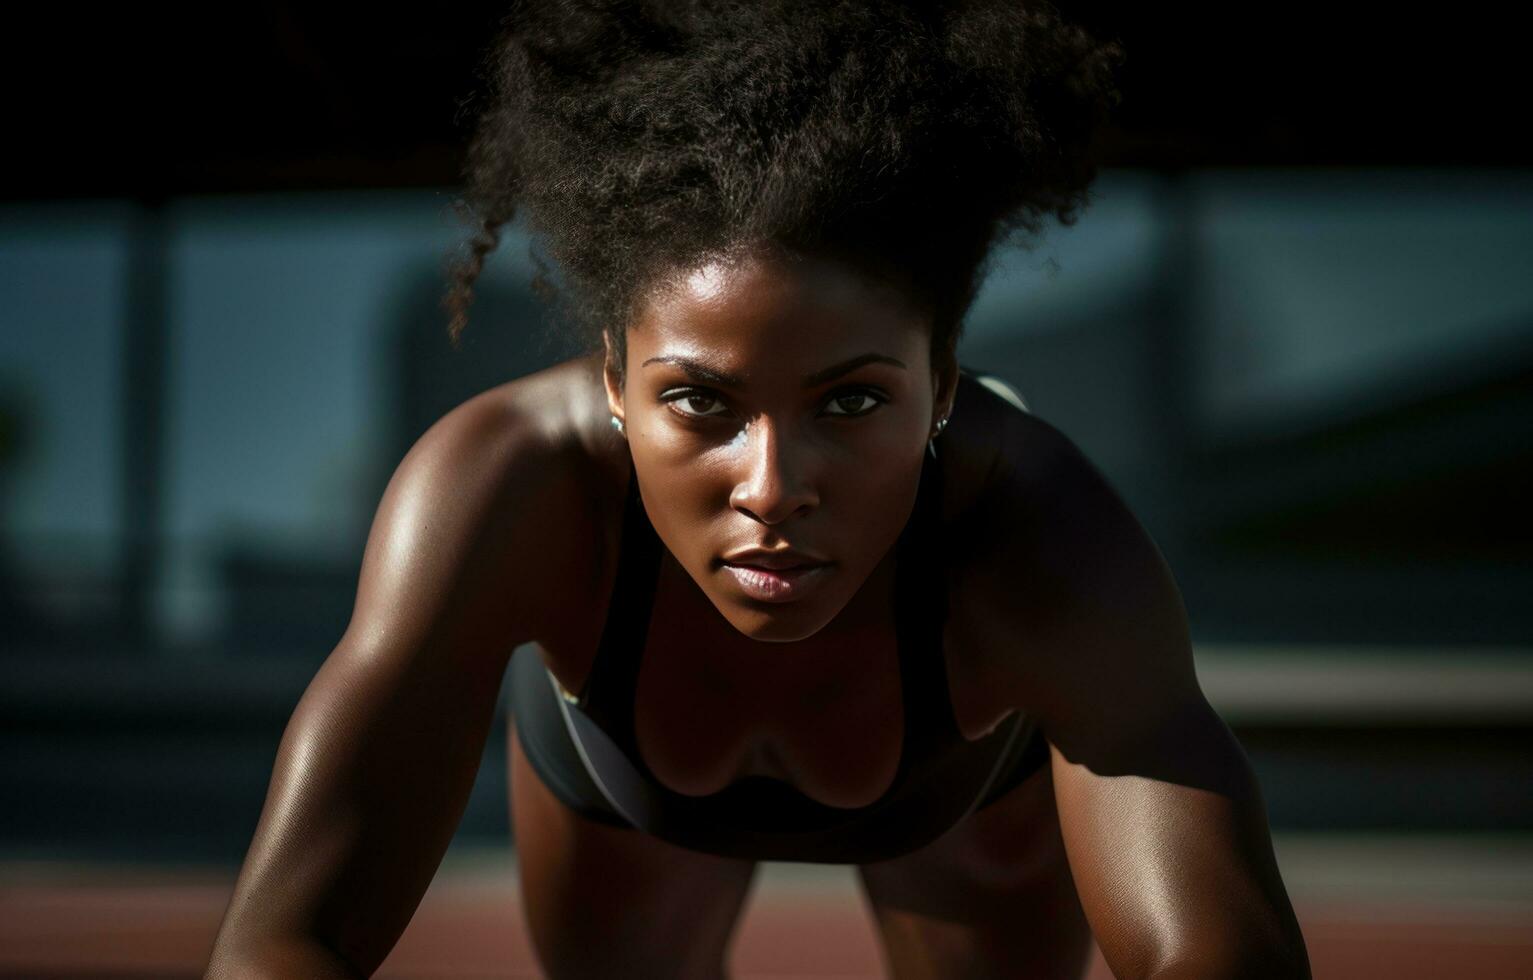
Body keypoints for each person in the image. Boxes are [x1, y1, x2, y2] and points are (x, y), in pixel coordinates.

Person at [207, 2, 1311, 978]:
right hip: (619, 781)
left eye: (849, 403)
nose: (773, 487)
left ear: (942, 384)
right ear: (609, 380)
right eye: (699, 403)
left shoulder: (1040, 540)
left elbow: (1219, 949)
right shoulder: (506, 490)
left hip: (967, 794)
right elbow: (281, 937)